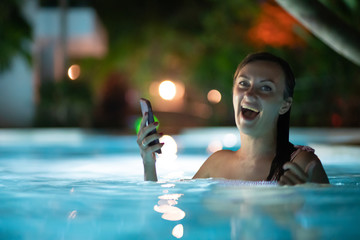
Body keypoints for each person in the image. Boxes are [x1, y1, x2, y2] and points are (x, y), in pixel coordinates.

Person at [137, 52, 329, 185]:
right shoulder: (217, 163)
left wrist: (306, 203)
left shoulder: (302, 166)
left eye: (266, 87)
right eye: (244, 83)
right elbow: (175, 215)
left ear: (285, 105)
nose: (250, 94)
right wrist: (148, 163)